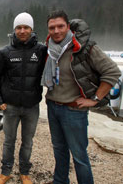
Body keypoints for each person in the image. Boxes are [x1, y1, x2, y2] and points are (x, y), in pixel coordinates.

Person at [41, 10, 121, 184]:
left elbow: (112, 72)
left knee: (79, 156)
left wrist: (95, 99)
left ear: (68, 27)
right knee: (59, 151)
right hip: (53, 107)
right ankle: (60, 181)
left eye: (60, 26)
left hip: (73, 111)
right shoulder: (50, 49)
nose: (56, 31)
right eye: (52, 27)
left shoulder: (84, 47)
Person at [0, 12, 47, 184]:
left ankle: (24, 173)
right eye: (19, 28)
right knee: (9, 141)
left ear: (31, 29)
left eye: (26, 27)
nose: (22, 31)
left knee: (27, 142)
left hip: (31, 107)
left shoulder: (41, 50)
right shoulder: (4, 52)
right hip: (11, 107)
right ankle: (5, 172)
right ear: (14, 30)